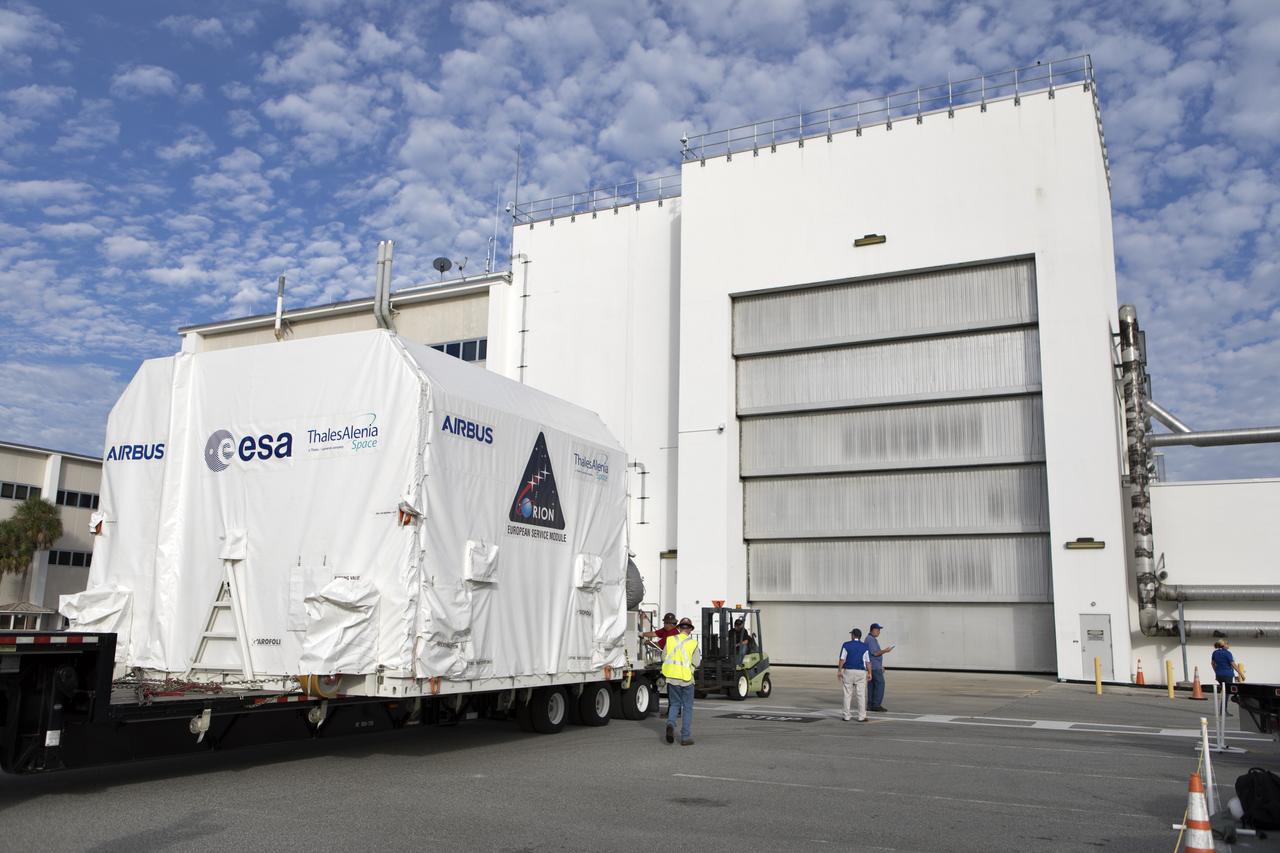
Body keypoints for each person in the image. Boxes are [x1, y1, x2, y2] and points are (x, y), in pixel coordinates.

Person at [662, 617, 700, 746]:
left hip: (672, 678)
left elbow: (663, 657)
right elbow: (696, 662)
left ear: (678, 628)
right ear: (689, 630)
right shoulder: (693, 643)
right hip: (687, 680)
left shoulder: (670, 640)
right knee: (687, 708)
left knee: (674, 704)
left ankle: (671, 724)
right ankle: (685, 737)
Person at [837, 628, 872, 722]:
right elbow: (868, 661)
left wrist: (839, 670)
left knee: (847, 694)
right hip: (861, 672)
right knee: (861, 695)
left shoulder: (846, 645)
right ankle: (862, 716)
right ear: (860, 636)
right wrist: (870, 672)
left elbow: (842, 659)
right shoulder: (865, 646)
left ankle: (846, 716)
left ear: (853, 635)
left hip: (848, 671)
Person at [866, 623, 895, 712]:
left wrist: (880, 665)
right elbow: (875, 653)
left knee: (872, 686)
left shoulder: (871, 639)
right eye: (878, 630)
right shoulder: (870, 639)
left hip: (874, 666)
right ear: (873, 630)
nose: (879, 632)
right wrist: (886, 651)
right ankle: (876, 705)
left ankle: (871, 704)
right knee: (880, 684)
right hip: (874, 667)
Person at [1211, 639, 1245, 716]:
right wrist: (1241, 674)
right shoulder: (1227, 653)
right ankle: (1223, 711)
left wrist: (1216, 672)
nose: (1229, 645)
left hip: (1219, 675)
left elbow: (1212, 663)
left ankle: (1223, 710)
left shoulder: (1215, 653)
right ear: (1224, 645)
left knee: (1225, 691)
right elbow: (1233, 664)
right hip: (1227, 675)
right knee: (1227, 693)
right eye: (1227, 644)